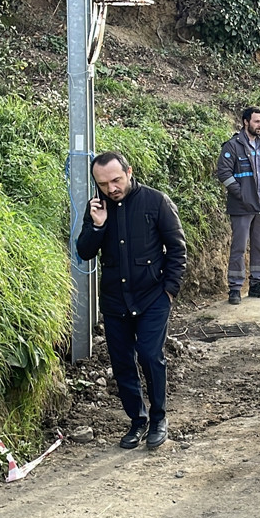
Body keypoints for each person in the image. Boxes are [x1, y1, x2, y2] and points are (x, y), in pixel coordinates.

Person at [76, 151, 187, 449]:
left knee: (151, 356)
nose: (111, 188)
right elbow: (84, 251)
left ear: (129, 171)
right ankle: (137, 421)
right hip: (115, 301)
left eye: (116, 180)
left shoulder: (156, 202)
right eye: (103, 184)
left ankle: (159, 417)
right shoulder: (97, 208)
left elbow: (177, 250)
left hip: (153, 297)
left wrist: (169, 291)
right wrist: (97, 225)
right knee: (122, 362)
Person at [215, 105, 260, 305]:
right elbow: (223, 172)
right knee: (239, 248)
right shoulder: (232, 146)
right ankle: (235, 288)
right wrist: (241, 194)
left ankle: (257, 284)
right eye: (257, 121)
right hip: (241, 206)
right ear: (246, 122)